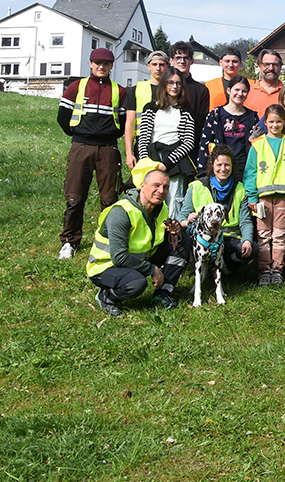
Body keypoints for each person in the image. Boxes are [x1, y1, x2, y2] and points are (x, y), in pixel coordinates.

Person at [58, 47, 127, 259]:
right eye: (97, 63)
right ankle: (69, 242)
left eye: (105, 64)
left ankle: (107, 240)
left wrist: (108, 135)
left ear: (111, 66)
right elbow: (62, 116)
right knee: (75, 197)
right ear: (90, 64)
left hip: (108, 149)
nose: (101, 66)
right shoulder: (75, 87)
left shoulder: (120, 91)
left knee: (109, 198)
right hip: (81, 147)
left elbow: (124, 123)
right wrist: (80, 135)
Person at [88, 165, 180, 316]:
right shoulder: (121, 212)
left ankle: (163, 293)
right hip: (105, 266)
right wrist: (152, 269)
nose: (161, 191)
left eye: (165, 187)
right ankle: (107, 297)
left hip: (137, 260)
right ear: (142, 186)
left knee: (181, 241)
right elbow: (119, 257)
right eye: (156, 185)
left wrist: (173, 230)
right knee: (137, 283)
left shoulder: (160, 207)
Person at [177, 144, 256, 279]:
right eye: (219, 165)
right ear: (212, 165)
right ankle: (200, 270)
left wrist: (247, 240)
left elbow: (245, 221)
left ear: (232, 166)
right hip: (202, 239)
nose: (223, 169)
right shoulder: (196, 187)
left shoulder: (240, 188)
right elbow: (181, 217)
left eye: (227, 165)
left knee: (253, 248)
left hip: (229, 238)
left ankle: (223, 271)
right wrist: (187, 220)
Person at [244, 104, 285, 286]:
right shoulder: (257, 144)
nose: (275, 125)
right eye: (271, 121)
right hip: (262, 198)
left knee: (279, 235)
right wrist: (252, 196)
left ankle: (277, 269)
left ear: (284, 122)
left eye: (278, 121)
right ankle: (263, 270)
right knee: (263, 235)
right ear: (265, 122)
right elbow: (250, 172)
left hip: (283, 198)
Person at [135, 66, 199, 219]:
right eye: (170, 83)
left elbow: (188, 142)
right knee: (148, 201)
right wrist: (147, 163)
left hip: (175, 162)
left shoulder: (186, 111)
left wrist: (166, 164)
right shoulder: (151, 108)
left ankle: (171, 239)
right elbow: (143, 139)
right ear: (164, 84)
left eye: (178, 83)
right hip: (152, 158)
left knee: (173, 203)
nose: (174, 86)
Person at [198, 76, 259, 179]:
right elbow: (205, 144)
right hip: (220, 168)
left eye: (244, 91)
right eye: (237, 90)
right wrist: (202, 172)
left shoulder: (252, 117)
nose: (240, 94)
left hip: (243, 169)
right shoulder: (215, 115)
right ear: (229, 90)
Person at [123, 49, 168, 168]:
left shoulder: (173, 90)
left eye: (161, 65)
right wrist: (129, 153)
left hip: (166, 143)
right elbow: (130, 124)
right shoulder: (136, 89)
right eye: (154, 64)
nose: (158, 68)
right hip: (143, 143)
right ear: (148, 66)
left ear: (167, 66)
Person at [169, 41, 211, 133]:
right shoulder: (163, 87)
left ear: (192, 61)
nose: (182, 61)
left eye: (186, 58)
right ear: (171, 61)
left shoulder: (201, 90)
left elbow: (201, 121)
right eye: (178, 58)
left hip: (191, 141)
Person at [206, 47, 250, 112]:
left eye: (234, 61)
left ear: (240, 63)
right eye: (227, 61)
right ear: (221, 62)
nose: (231, 65)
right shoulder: (209, 85)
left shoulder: (251, 84)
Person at [244, 48, 283, 115]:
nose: (271, 68)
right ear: (259, 66)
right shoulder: (247, 92)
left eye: (275, 65)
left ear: (280, 67)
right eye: (266, 64)